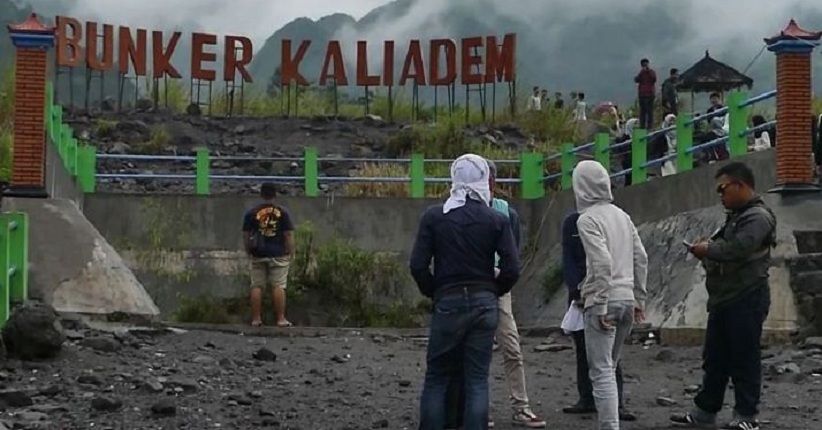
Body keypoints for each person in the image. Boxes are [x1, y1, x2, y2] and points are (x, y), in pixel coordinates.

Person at [411, 154, 520, 430]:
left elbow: (418, 265)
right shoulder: (496, 219)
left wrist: (434, 291)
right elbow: (512, 268)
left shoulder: (435, 217)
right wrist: (494, 290)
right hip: (484, 303)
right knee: (477, 379)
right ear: (485, 179)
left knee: (437, 376)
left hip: (448, 299)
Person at [671, 162, 776, 430]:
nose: (720, 195)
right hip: (724, 298)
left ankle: (746, 416)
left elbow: (739, 248)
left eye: (723, 188)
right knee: (715, 358)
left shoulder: (758, 217)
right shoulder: (737, 216)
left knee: (744, 357)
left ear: (740, 185)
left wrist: (709, 250)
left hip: (747, 296)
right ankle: (705, 411)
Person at [572, 160, 648, 430]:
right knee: (611, 365)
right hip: (627, 298)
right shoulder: (622, 216)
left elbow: (602, 264)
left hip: (604, 302)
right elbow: (641, 257)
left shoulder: (587, 219)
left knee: (601, 371)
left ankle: (609, 426)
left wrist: (601, 302)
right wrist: (639, 297)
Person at [561, 211, 636, 422]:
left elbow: (607, 260)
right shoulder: (573, 222)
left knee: (608, 354)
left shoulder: (610, 219)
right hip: (592, 292)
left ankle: (616, 404)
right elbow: (568, 259)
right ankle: (587, 397)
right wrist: (576, 291)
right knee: (586, 349)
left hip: (604, 292)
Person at [487, 161, 546, 429]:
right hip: (473, 285)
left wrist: (505, 277)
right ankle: (475, 408)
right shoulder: (458, 210)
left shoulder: (504, 212)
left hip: (499, 288)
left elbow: (514, 251)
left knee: (511, 346)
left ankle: (521, 406)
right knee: (475, 351)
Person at [242, 183, 295, 328]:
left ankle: (256, 319)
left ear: (261, 194)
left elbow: (246, 235)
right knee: (278, 286)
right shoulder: (282, 212)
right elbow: (288, 234)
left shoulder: (251, 212)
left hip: (258, 253)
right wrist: (290, 251)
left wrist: (248, 251)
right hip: (278, 253)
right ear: (275, 195)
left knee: (257, 286)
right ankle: (280, 319)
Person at [634, 58, 657, 130]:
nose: (644, 65)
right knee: (642, 112)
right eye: (643, 64)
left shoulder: (651, 72)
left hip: (650, 94)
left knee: (649, 111)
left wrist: (648, 71)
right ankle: (642, 126)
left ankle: (650, 127)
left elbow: (654, 79)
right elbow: (636, 80)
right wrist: (641, 73)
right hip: (642, 95)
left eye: (646, 64)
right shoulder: (641, 73)